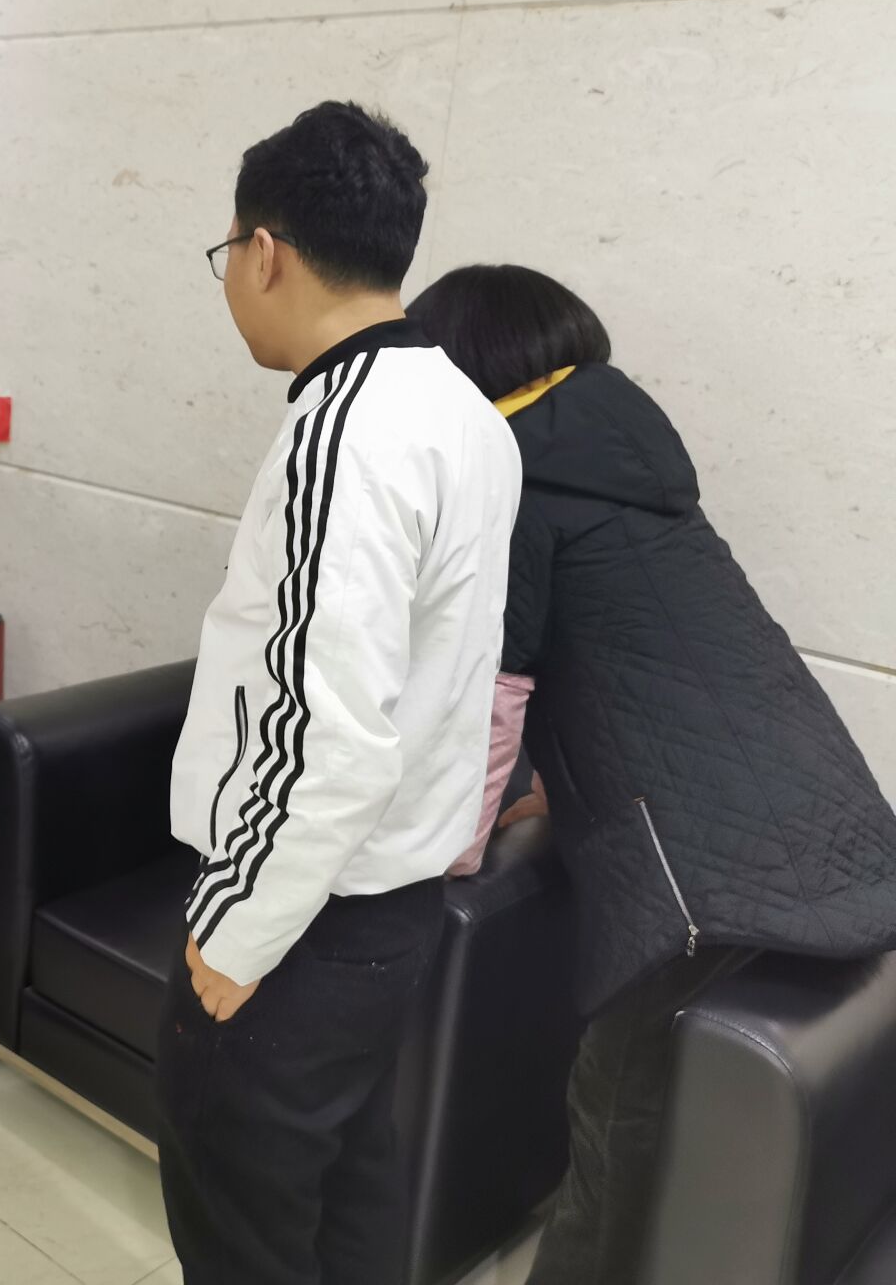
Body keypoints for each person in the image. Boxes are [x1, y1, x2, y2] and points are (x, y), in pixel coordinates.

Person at [407, 264, 896, 1285]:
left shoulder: (515, 486)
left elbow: (488, 703)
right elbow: (641, 669)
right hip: (841, 841)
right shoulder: (635, 479)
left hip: (706, 890)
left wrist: (450, 846)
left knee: (614, 1112)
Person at [160, 102, 522, 1284]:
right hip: (392, 898)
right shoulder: (465, 412)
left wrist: (241, 927)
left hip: (306, 914)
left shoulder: (346, 430)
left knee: (244, 1225)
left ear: (264, 250)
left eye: (228, 254)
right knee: (351, 1190)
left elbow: (326, 725)